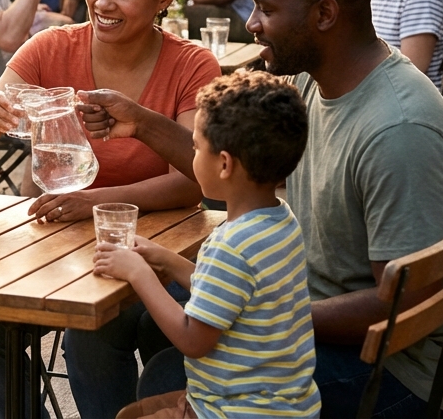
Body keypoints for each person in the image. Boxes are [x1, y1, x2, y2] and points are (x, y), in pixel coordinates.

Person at [81, 0, 443, 417]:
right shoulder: (313, 76)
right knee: (138, 316)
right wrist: (142, 123)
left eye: (266, 9)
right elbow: (238, 166)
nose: (252, 23)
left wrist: (270, 316)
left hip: (393, 373)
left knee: (169, 373)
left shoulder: (399, 130)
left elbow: (405, 303)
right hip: (304, 307)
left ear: (325, 14)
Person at [0, 0, 215, 419]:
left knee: (102, 332)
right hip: (56, 245)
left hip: (161, 251)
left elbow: (190, 183)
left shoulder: (192, 65)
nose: (103, 2)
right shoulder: (50, 48)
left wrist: (91, 202)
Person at [97, 71, 320, 419]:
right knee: (133, 412)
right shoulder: (279, 220)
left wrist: (140, 274)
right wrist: (165, 259)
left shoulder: (232, 245)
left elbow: (193, 340)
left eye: (197, 148)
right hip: (285, 405)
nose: (192, 155)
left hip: (236, 411)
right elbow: (226, 292)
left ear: (224, 164)